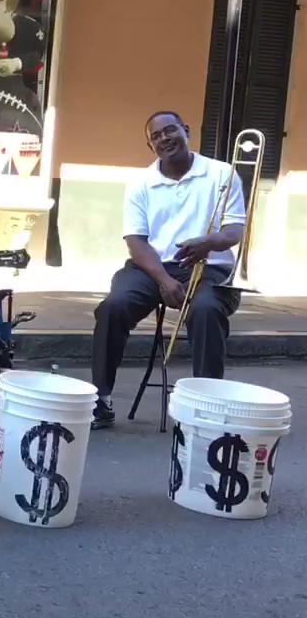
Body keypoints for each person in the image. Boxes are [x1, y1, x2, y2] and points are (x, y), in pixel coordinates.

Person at [90, 111, 245, 429]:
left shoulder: (221, 174)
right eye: (156, 136)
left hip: (209, 264)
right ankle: (101, 400)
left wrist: (209, 241)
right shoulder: (140, 182)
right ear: (151, 146)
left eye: (170, 130)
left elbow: (234, 231)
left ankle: (208, 404)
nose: (164, 139)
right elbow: (135, 241)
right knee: (113, 306)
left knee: (205, 308)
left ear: (186, 131)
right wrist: (162, 279)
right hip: (151, 266)